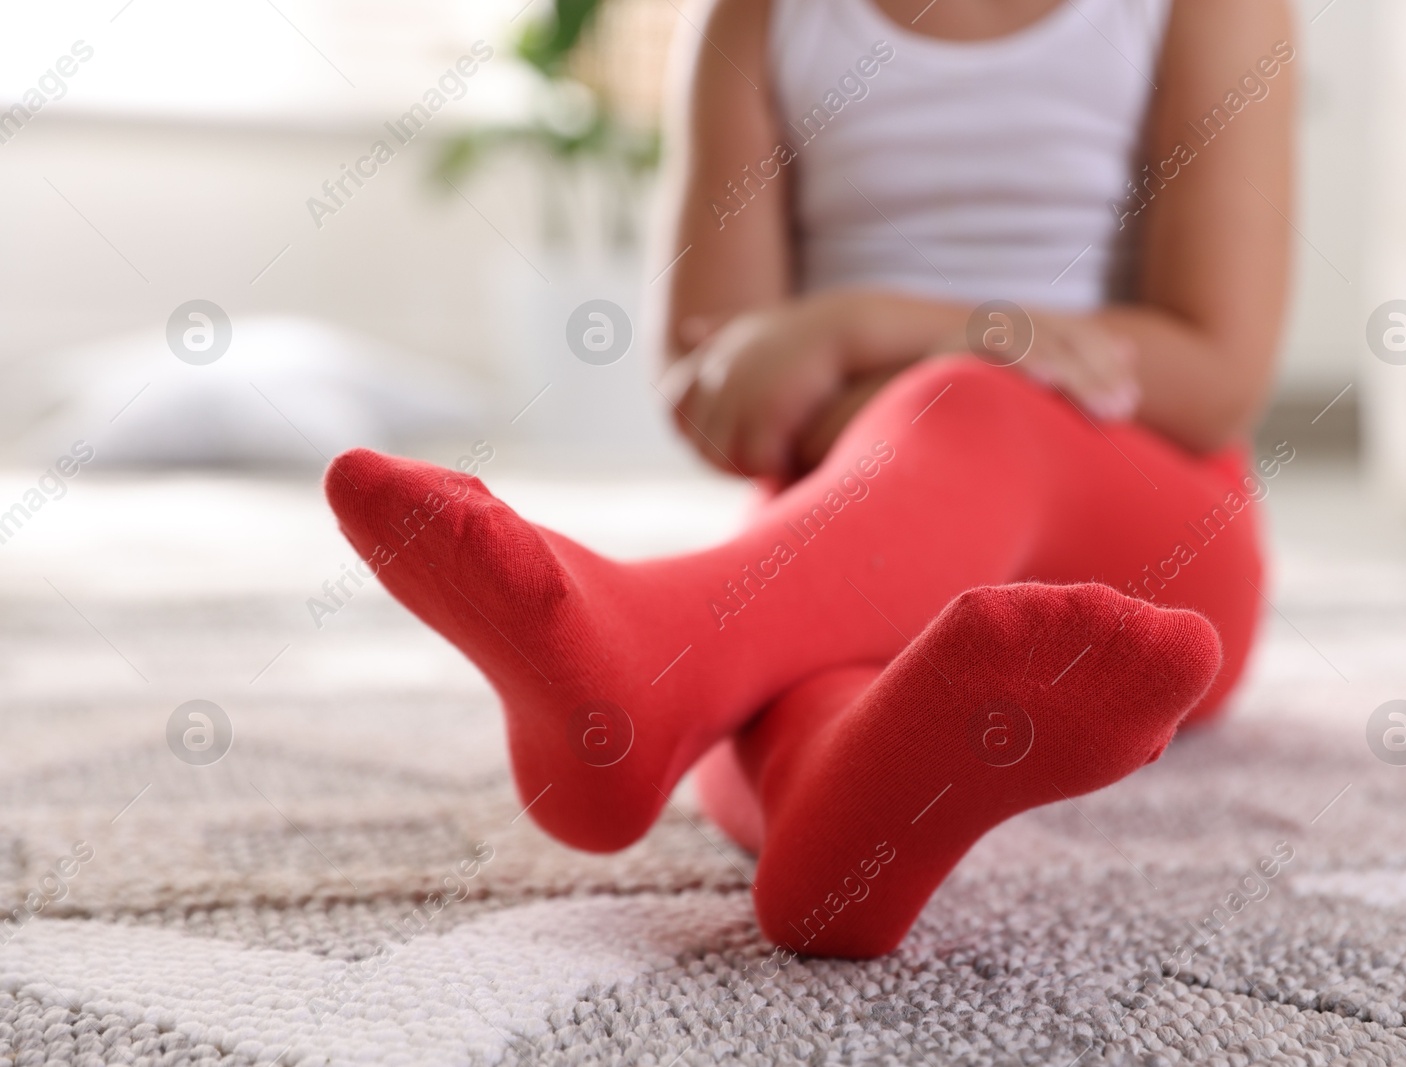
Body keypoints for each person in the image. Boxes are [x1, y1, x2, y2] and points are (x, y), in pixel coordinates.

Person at [323, 0, 1294, 959]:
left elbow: (1215, 375)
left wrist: (857, 331)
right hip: (853, 528)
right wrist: (896, 417)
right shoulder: (756, 17)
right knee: (799, 667)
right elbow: (722, 389)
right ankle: (838, 837)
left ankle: (650, 666)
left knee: (961, 410)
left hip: (1159, 540)